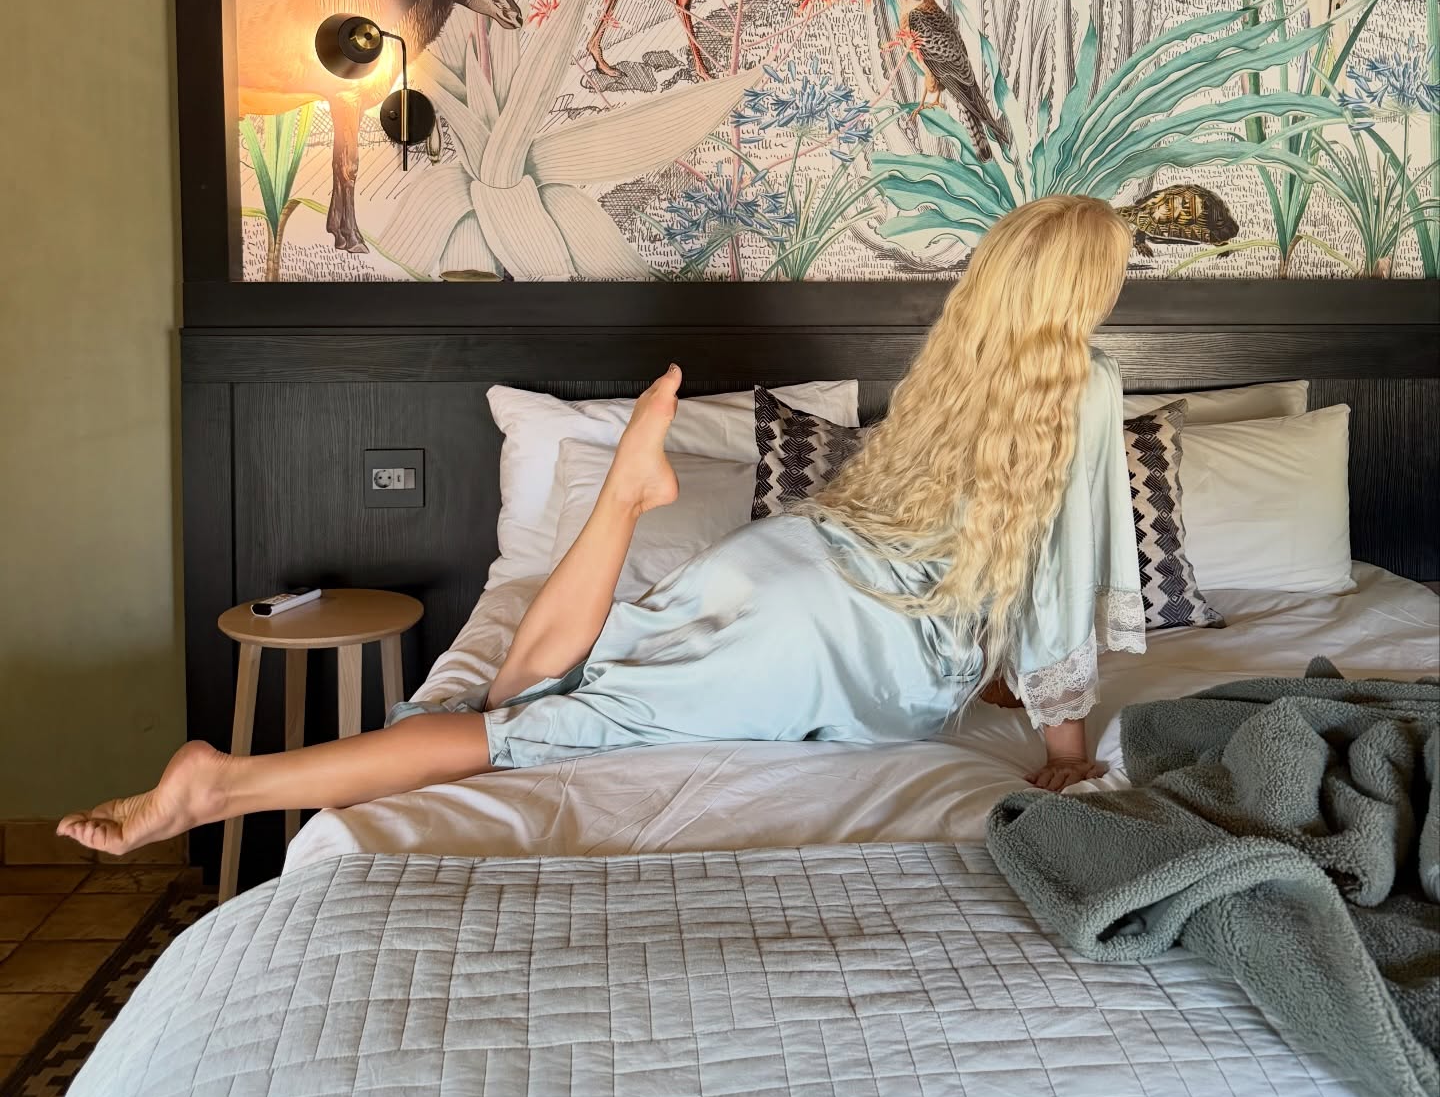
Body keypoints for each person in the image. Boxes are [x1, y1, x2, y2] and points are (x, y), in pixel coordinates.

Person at [58, 194, 1142, 857]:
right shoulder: (1083, 383)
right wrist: (1064, 749)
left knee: (538, 684)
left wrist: (990, 670)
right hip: (861, 651)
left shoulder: (953, 363)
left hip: (788, 563)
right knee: (542, 731)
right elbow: (1053, 583)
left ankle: (623, 497)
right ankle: (227, 784)